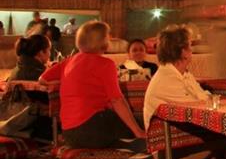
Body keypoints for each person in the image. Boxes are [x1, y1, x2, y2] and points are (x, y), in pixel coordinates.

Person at [143, 24, 226, 159]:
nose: (192, 50)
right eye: (189, 46)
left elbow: (204, 99)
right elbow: (197, 110)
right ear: (183, 51)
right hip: (170, 148)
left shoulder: (183, 75)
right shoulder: (167, 80)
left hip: (187, 138)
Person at [38, 20, 146, 150]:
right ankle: (135, 145)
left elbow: (42, 79)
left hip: (69, 134)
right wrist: (138, 131)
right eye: (107, 36)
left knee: (119, 122)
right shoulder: (106, 64)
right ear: (102, 41)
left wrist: (69, 81)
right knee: (142, 121)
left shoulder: (70, 61)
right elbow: (117, 100)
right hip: (91, 127)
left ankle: (122, 146)